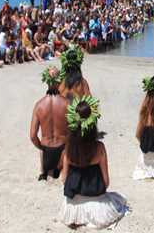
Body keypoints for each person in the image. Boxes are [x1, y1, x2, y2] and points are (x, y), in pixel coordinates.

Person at [60, 96, 128, 229]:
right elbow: (106, 182)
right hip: (96, 200)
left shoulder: (68, 148)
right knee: (119, 200)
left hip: (74, 202)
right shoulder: (99, 148)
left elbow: (64, 179)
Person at [30, 66, 68, 181]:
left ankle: (44, 171)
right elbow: (75, 130)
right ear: (60, 81)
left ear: (46, 81)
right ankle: (60, 168)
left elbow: (32, 136)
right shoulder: (66, 104)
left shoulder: (39, 105)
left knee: (41, 149)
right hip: (62, 150)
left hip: (46, 152)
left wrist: (42, 147)